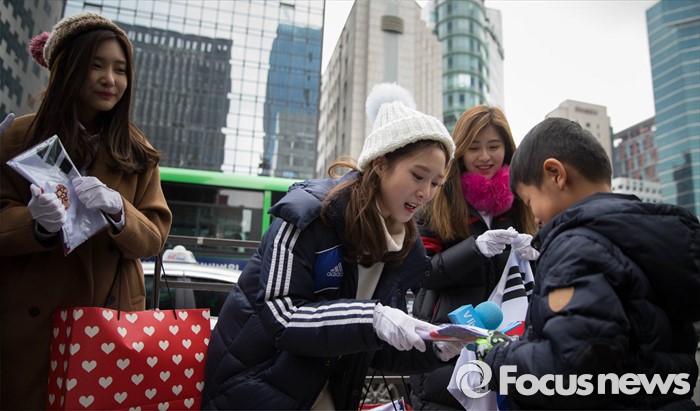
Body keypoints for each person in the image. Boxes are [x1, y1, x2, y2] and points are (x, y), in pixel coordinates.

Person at [202, 83, 463, 410]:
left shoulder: (404, 248)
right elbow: (281, 317)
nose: (426, 193)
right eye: (418, 176)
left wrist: (435, 347)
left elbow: (374, 348)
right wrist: (372, 318)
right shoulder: (308, 215)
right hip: (253, 395)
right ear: (380, 164)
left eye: (436, 183)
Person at [0, 13, 172, 409]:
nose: (110, 79)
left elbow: (153, 238)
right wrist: (36, 224)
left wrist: (119, 210)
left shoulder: (136, 151)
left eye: (120, 69)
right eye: (96, 65)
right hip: (27, 326)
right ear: (67, 68)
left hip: (107, 328)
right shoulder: (17, 137)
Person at [478, 117, 700, 409]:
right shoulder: (645, 240)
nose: (535, 218)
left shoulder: (576, 249)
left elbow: (573, 370)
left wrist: (499, 359)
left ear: (556, 174)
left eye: (530, 201)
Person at [409, 105, 538, 409]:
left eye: (493, 146)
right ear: (460, 152)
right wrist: (475, 249)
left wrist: (535, 254)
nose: (484, 157)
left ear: (508, 150)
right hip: (447, 350)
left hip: (509, 345)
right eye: (474, 147)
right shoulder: (436, 198)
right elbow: (422, 273)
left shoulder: (523, 202)